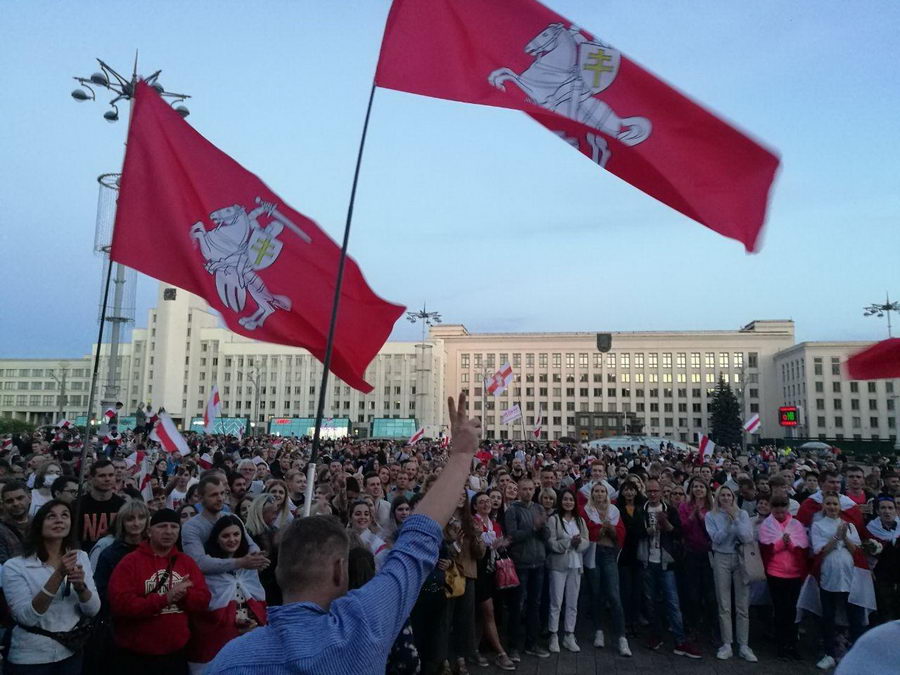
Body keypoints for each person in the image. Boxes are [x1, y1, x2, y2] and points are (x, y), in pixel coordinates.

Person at [204, 392, 481, 675]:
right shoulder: (362, 629)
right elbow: (417, 539)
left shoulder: (230, 659)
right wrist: (461, 455)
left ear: (279, 573)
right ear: (340, 569)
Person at [2, 500, 101, 674]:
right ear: (39, 524)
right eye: (51, 516)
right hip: (31, 659)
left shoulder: (80, 557)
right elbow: (26, 618)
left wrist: (81, 588)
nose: (59, 520)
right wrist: (58, 575)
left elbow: (93, 610)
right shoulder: (15, 567)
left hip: (70, 654)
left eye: (65, 515)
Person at [108, 508, 211, 674]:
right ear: (149, 531)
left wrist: (184, 596)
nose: (168, 531)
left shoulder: (186, 562)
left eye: (174, 526)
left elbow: (203, 600)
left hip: (176, 655)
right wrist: (165, 599)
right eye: (162, 526)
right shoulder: (130, 563)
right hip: (137, 658)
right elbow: (120, 604)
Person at [188, 515, 267, 671]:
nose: (232, 539)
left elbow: (257, 600)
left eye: (236, 534)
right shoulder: (208, 569)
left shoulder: (249, 567)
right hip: (216, 639)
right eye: (225, 535)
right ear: (217, 539)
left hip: (247, 636)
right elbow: (204, 608)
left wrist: (252, 622)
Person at [638, 478, 700, 658]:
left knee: (672, 602)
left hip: (667, 562)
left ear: (661, 491)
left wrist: (666, 525)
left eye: (655, 491)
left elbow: (679, 533)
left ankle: (680, 640)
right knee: (650, 601)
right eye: (649, 491)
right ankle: (655, 634)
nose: (652, 494)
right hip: (647, 561)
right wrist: (648, 530)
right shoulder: (642, 511)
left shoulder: (670, 510)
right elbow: (634, 532)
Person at [810, 491, 867, 670]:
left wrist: (845, 537)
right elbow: (821, 551)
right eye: (829, 504)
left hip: (850, 576)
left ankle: (855, 653)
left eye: (835, 504)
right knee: (828, 615)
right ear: (824, 506)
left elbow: (856, 550)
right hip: (830, 575)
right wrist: (836, 537)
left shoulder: (849, 526)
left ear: (840, 507)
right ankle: (829, 653)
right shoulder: (818, 525)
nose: (832, 507)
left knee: (854, 616)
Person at [181, 476, 268, 581]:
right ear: (200, 498)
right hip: (212, 588)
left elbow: (250, 544)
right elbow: (199, 562)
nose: (220, 498)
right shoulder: (191, 527)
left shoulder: (233, 518)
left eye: (222, 493)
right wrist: (241, 562)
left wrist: (255, 557)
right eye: (214, 495)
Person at [705, 485, 757, 662]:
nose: (726, 498)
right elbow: (716, 539)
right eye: (723, 496)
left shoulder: (742, 514)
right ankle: (727, 643)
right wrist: (727, 524)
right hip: (721, 558)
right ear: (718, 498)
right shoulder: (711, 516)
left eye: (729, 495)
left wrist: (735, 519)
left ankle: (744, 644)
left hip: (740, 557)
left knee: (742, 603)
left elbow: (747, 537)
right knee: (724, 603)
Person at [581, 482, 630, 656]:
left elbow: (621, 532)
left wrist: (609, 530)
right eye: (596, 491)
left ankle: (621, 637)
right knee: (596, 594)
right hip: (593, 553)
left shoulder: (614, 511)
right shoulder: (586, 510)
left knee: (614, 595)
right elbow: (586, 530)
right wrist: (605, 529)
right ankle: (599, 630)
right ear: (592, 493)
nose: (600, 494)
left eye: (602, 491)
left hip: (609, 554)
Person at [504, 476, 550, 660]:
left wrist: (541, 529)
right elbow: (512, 535)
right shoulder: (512, 511)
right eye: (524, 489)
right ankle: (513, 646)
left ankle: (532, 643)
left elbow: (546, 535)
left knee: (534, 604)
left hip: (538, 562)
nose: (528, 492)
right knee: (517, 605)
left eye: (530, 489)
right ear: (519, 490)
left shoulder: (539, 508)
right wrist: (533, 528)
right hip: (520, 563)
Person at [757, 494, 808, 659]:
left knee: (793, 610)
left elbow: (802, 546)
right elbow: (765, 548)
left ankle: (792, 644)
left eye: (783, 506)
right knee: (780, 610)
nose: (779, 510)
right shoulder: (767, 524)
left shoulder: (796, 524)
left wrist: (790, 543)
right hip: (775, 573)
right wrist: (781, 543)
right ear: (772, 508)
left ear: (787, 508)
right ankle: (781, 645)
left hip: (794, 574)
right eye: (776, 507)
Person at [471, 491, 514, 670]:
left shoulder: (495, 525)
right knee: (485, 611)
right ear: (474, 506)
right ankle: (500, 653)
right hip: (476, 572)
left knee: (484, 613)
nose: (487, 504)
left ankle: (474, 650)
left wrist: (501, 545)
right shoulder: (472, 523)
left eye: (488, 501)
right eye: (482, 502)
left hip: (490, 572)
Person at [546, 489, 589, 654]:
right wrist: (568, 543)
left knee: (572, 602)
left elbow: (586, 541)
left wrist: (578, 543)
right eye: (565, 499)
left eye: (571, 499)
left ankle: (569, 634)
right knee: (556, 601)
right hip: (559, 565)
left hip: (576, 564)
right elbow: (551, 543)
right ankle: (554, 634)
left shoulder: (579, 520)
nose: (568, 502)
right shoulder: (554, 520)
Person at [677, 477, 717, 644]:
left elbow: (715, 531)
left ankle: (713, 629)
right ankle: (692, 627)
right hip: (691, 553)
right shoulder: (685, 507)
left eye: (701, 486)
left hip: (709, 554)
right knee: (692, 594)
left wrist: (703, 517)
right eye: (695, 487)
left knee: (710, 594)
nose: (698, 489)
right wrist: (693, 516)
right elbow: (682, 529)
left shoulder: (713, 508)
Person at [615, 479, 644, 637]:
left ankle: (635, 620)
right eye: (626, 489)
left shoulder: (642, 508)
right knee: (625, 588)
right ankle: (626, 620)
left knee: (637, 588)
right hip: (624, 553)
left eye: (632, 490)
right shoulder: (618, 509)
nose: (629, 492)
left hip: (639, 552)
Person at [77, 459, 126, 552]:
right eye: (102, 475)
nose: (107, 479)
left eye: (111, 475)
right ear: (91, 479)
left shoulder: (123, 506)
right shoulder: (77, 505)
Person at [243, 493, 282, 606]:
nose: (276, 515)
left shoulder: (275, 531)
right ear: (261, 512)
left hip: (273, 585)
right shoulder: (247, 534)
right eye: (273, 512)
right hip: (255, 584)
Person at [866, 495, 900, 623]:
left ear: (895, 510)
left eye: (890, 508)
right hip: (881, 576)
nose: (887, 511)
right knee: (884, 608)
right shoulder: (871, 529)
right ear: (877, 511)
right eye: (883, 508)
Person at [0, 480, 32, 563]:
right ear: (3, 504)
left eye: (20, 498)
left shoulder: (40, 523)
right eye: (9, 501)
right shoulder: (1, 530)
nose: (16, 503)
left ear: (30, 498)